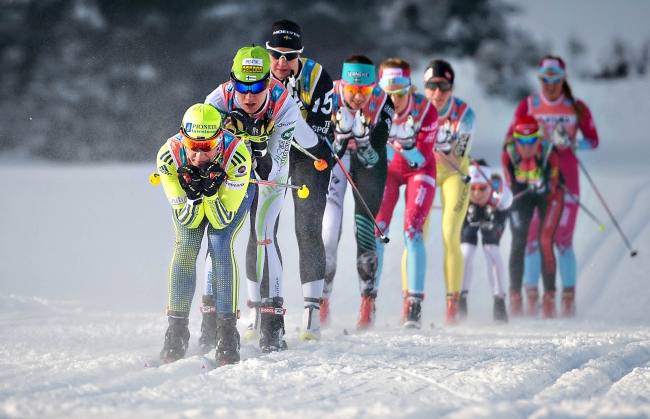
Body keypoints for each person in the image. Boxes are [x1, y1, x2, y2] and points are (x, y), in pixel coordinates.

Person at [202, 46, 312, 353]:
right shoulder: (216, 102)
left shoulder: (284, 104)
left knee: (264, 236)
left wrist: (259, 155)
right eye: (242, 86)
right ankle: (210, 319)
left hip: (268, 172)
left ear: (269, 82)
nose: (249, 96)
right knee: (219, 237)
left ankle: (272, 322)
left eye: (258, 86)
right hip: (229, 171)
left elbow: (276, 161)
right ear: (232, 81)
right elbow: (202, 150)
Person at [156, 103, 252, 366]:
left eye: (206, 147)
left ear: (219, 139)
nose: (198, 157)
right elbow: (188, 220)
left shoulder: (238, 156)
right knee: (186, 245)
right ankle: (176, 332)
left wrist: (209, 193)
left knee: (220, 244)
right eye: (192, 147)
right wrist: (194, 196)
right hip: (196, 202)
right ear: (182, 138)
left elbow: (221, 221)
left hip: (229, 196)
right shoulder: (169, 156)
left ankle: (227, 334)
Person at [506, 56, 599, 317]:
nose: (550, 84)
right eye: (545, 79)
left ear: (563, 79)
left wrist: (572, 143)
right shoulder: (529, 105)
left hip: (566, 181)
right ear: (540, 79)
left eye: (555, 79)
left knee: (563, 241)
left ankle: (567, 299)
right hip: (535, 180)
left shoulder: (575, 107)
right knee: (533, 239)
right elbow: (510, 140)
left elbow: (593, 141)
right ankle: (532, 297)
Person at [265, 19, 334, 340]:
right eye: (276, 54)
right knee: (262, 230)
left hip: (311, 155)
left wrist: (288, 106)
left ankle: (311, 312)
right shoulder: (253, 74)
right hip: (271, 152)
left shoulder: (317, 78)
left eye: (290, 55)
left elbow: (314, 141)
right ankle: (262, 310)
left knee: (307, 226)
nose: (282, 62)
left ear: (299, 56)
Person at [321, 55, 394, 329]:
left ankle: (367, 303)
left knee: (364, 227)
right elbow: (325, 152)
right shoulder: (329, 94)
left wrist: (362, 139)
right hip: (337, 161)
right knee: (329, 231)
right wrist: (339, 137)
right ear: (344, 85)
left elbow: (374, 157)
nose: (359, 97)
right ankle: (322, 302)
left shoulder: (382, 100)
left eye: (365, 91)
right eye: (353, 90)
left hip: (369, 162)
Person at [406, 60, 475, 325]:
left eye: (444, 86)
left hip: (453, 174)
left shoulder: (464, 114)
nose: (437, 93)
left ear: (451, 87)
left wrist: (431, 147)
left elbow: (457, 160)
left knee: (449, 234)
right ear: (425, 87)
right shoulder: (414, 108)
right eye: (432, 86)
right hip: (423, 170)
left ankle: (452, 305)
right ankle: (409, 301)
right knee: (415, 232)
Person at [373, 58, 438, 329]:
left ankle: (414, 304)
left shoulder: (425, 109)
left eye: (400, 94)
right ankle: (369, 300)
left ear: (409, 90)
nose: (394, 100)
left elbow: (420, 158)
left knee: (412, 229)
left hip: (418, 170)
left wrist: (399, 143)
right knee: (377, 228)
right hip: (388, 170)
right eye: (388, 94)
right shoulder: (372, 105)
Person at [502, 114, 563, 319]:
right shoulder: (508, 154)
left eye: (531, 140)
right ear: (515, 139)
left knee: (545, 240)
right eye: (522, 141)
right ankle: (515, 297)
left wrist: (542, 183)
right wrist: (526, 182)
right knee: (518, 241)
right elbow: (512, 187)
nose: (527, 146)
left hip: (550, 197)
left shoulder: (549, 152)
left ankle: (549, 298)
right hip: (523, 197)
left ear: (539, 138)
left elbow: (552, 187)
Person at [459, 159, 513, 323]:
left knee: (492, 250)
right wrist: (469, 219)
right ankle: (460, 301)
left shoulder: (502, 194)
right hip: (468, 213)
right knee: (466, 251)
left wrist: (492, 223)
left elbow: (502, 219)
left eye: (482, 188)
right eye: (472, 188)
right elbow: (460, 226)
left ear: (490, 185)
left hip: (497, 211)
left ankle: (499, 301)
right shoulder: (461, 191)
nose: (476, 193)